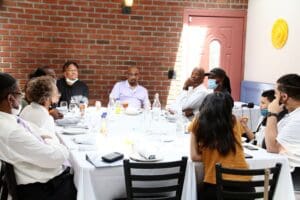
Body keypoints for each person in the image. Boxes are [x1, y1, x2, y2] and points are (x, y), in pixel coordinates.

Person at [0, 72, 76, 200]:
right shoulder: (11, 131)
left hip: (34, 178)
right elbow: (57, 157)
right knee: (83, 181)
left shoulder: (10, 119)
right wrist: (57, 144)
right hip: (43, 188)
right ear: (10, 99)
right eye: (20, 94)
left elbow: (37, 131)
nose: (22, 98)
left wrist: (48, 140)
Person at [190, 92, 251, 200]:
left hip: (216, 188)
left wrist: (210, 156)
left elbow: (194, 156)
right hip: (246, 189)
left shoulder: (198, 122)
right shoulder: (235, 120)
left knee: (193, 193)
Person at [264, 74, 300, 191]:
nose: (274, 99)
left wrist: (272, 113)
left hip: (292, 175)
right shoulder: (290, 115)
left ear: (283, 97)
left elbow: (272, 147)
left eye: (275, 95)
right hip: (281, 168)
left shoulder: (298, 118)